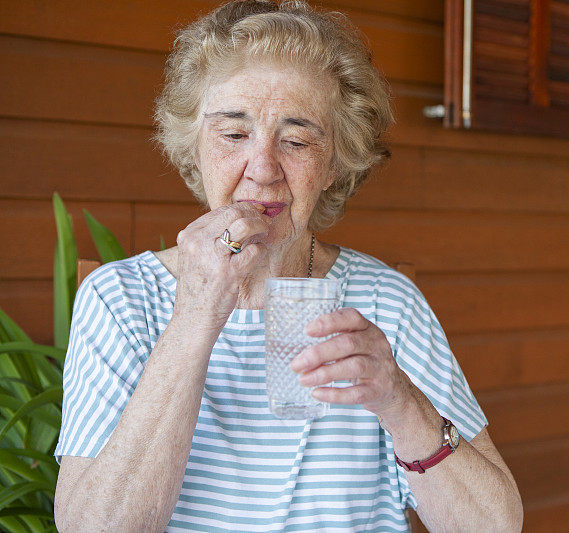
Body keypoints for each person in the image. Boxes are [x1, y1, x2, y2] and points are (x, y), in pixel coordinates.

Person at [52, 1, 523, 531]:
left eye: (296, 140)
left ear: (333, 164)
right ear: (194, 146)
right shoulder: (121, 300)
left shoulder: (387, 304)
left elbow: (494, 525)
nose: (263, 168)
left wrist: (400, 401)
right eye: (234, 135)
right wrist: (194, 318)